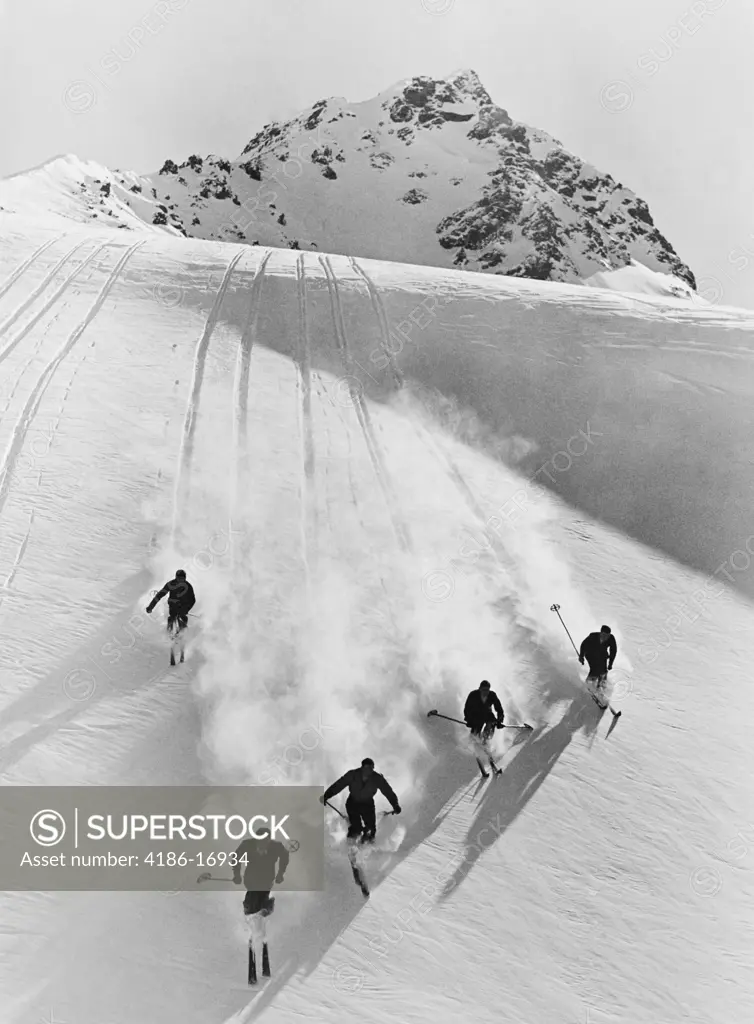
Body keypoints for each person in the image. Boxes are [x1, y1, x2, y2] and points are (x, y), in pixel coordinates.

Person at [232, 834, 289, 983]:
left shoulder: (276, 847)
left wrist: (281, 874)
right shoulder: (248, 845)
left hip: (266, 884)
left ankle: (261, 922)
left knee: (264, 902)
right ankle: (253, 924)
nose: (263, 849)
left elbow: (285, 856)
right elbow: (235, 857)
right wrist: (236, 874)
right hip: (252, 884)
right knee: (253, 905)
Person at [320, 758, 401, 843]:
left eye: (370, 768)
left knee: (370, 829)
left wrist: (395, 804)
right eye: (365, 768)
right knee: (356, 828)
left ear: (373, 768)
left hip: (368, 804)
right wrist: (327, 795)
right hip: (353, 803)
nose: (367, 771)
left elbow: (388, 791)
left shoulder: (377, 778)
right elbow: (339, 785)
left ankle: (366, 844)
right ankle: (351, 843)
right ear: (362, 767)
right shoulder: (352, 775)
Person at [146, 569, 196, 665]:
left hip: (183, 610)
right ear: (176, 578)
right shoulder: (171, 584)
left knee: (183, 624)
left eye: (183, 579)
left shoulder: (188, 586)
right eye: (179, 579)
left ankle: (182, 647)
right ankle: (170, 637)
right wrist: (150, 607)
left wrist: (186, 609)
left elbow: (192, 600)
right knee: (171, 620)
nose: (181, 581)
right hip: (173, 609)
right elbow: (159, 595)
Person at [464, 680, 505, 777]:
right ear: (479, 689)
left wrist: (499, 721)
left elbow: (499, 709)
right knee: (475, 737)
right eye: (483, 690)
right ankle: (476, 741)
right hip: (476, 717)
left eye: (487, 690)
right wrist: (469, 720)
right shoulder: (473, 695)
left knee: (490, 726)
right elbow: (467, 709)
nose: (485, 692)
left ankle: (485, 740)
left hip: (487, 716)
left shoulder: (492, 695)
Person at [579, 625, 617, 698]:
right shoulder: (592, 636)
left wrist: (610, 664)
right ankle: (589, 684)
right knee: (595, 669)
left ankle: (601, 688)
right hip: (590, 654)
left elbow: (613, 651)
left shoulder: (611, 638)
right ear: (600, 633)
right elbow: (583, 645)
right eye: (604, 635)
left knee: (603, 671)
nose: (605, 637)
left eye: (607, 636)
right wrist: (581, 656)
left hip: (602, 655)